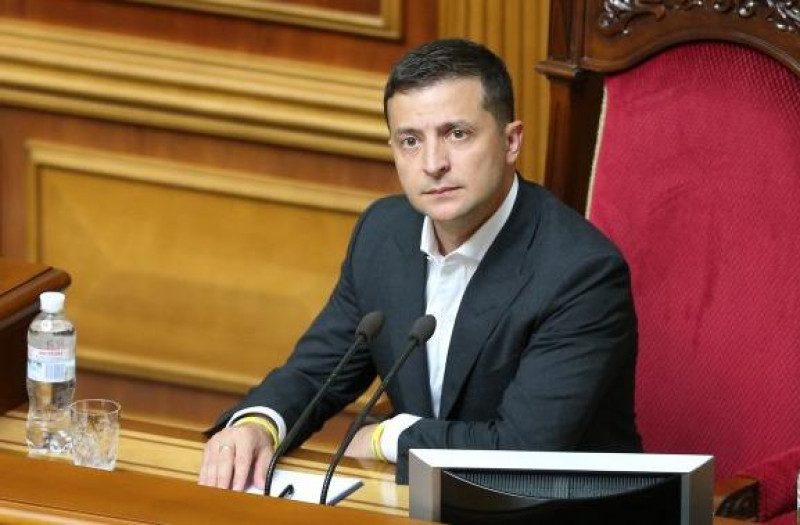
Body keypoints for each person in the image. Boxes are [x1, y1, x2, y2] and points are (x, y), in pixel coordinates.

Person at [198, 38, 641, 491]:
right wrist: (259, 423)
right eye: (411, 141)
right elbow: (318, 372)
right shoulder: (384, 233)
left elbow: (522, 453)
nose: (433, 164)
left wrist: (389, 438)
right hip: (421, 504)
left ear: (511, 141)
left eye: (457, 134)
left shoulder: (581, 273)